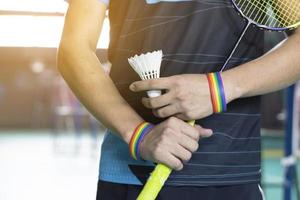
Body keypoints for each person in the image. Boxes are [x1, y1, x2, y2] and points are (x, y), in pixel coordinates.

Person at [57, 0, 300, 199]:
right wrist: (137, 134)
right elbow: (74, 48)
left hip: (230, 173)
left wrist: (219, 89)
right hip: (132, 171)